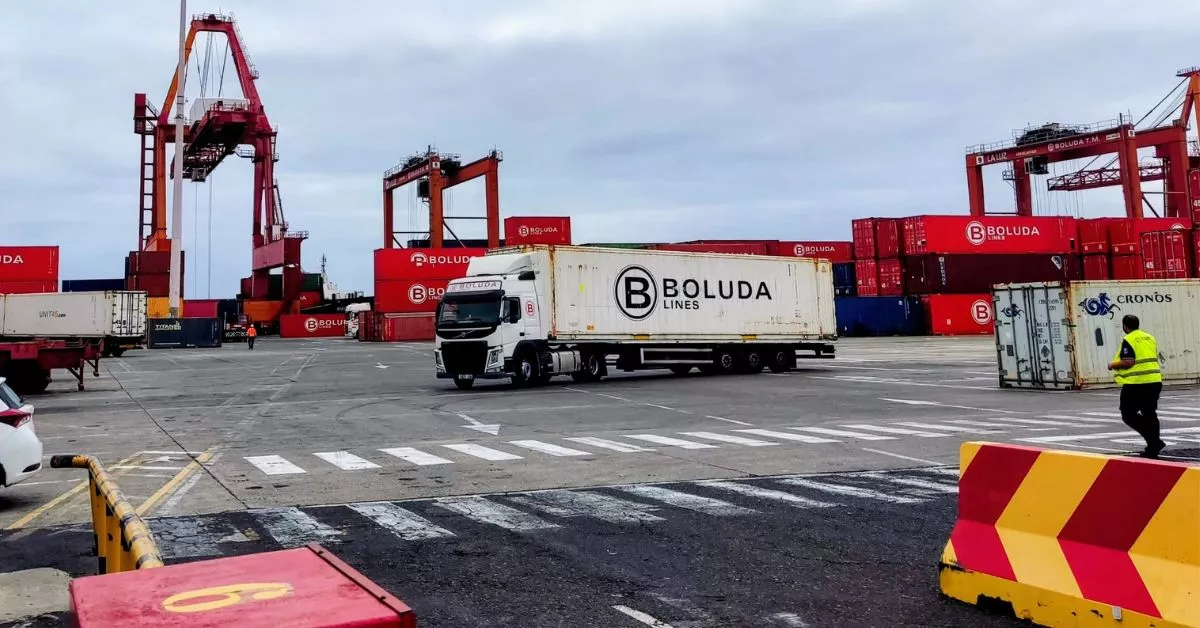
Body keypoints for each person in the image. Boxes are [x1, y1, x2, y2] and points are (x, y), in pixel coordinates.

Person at [1107, 314, 1165, 458]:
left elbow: (1129, 361)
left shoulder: (1129, 339)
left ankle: (1154, 441)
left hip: (1137, 383)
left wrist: (1112, 364)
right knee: (1150, 414)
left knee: (1127, 414)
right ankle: (1153, 448)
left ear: (1125, 326)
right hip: (1154, 380)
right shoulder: (1149, 337)